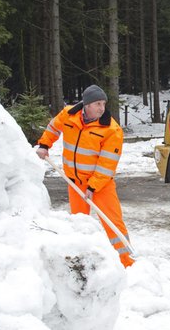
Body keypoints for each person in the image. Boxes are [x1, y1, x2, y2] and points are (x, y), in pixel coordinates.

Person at [35, 85, 134, 268]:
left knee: (113, 223)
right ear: (86, 104)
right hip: (74, 183)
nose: (102, 108)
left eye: (104, 103)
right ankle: (82, 262)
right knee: (79, 224)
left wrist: (92, 187)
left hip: (100, 185)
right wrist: (44, 145)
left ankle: (126, 263)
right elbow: (53, 127)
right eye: (98, 103)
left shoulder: (111, 130)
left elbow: (107, 165)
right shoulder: (68, 115)